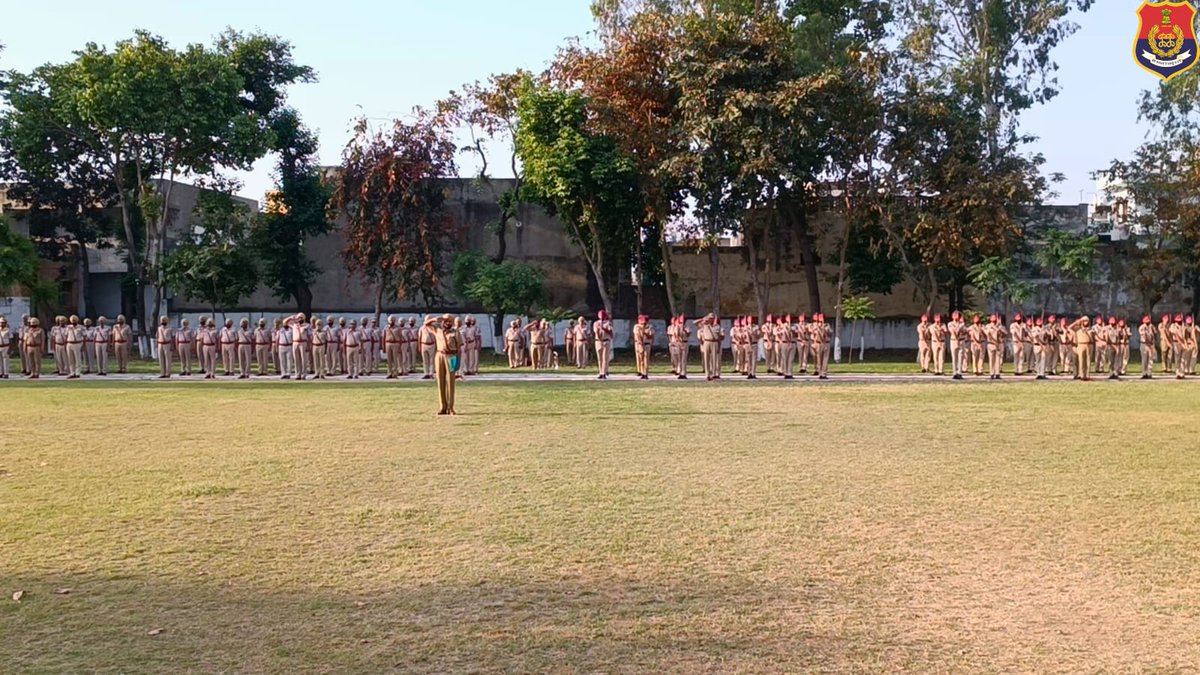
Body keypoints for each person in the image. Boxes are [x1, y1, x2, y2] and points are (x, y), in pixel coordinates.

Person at [424, 314, 462, 415]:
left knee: (450, 382)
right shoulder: (437, 330)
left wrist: (458, 362)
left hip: (452, 356)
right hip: (439, 355)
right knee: (440, 381)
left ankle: (451, 407)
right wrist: (434, 319)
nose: (447, 323)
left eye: (449, 321)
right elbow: (426, 324)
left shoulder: (456, 332)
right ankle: (442, 407)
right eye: (445, 321)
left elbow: (459, 349)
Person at [282, 312, 309, 381]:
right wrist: (290, 317)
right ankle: (298, 374)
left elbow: (310, 336)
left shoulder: (306, 325)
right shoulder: (294, 325)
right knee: (296, 359)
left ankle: (304, 374)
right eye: (298, 318)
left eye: (301, 318)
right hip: (295, 343)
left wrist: (309, 345)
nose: (299, 319)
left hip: (303, 342)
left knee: (303, 359)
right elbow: (284, 322)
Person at [1068, 316, 1093, 381]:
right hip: (1080, 344)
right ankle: (1081, 375)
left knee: (1087, 361)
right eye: (1084, 321)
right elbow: (1069, 328)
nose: (1086, 322)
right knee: (1081, 361)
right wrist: (1076, 322)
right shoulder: (1077, 329)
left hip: (1087, 344)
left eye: (1087, 321)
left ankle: (1087, 375)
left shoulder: (1090, 329)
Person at [984, 314, 1006, 380]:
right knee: (991, 359)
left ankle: (997, 373)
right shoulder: (988, 326)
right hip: (991, 344)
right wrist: (994, 342)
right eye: (992, 317)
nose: (994, 318)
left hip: (999, 344)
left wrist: (1000, 329)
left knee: (998, 359)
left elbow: (1005, 334)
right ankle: (991, 373)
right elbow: (988, 334)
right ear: (990, 318)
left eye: (995, 317)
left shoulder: (1000, 326)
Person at [811, 313, 832, 379]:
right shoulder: (816, 327)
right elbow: (813, 334)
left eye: (821, 321)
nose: (820, 322)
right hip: (818, 343)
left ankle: (824, 373)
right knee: (819, 359)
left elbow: (830, 333)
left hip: (826, 343)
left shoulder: (827, 326)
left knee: (825, 359)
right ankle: (820, 372)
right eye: (819, 321)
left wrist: (823, 328)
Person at [633, 314, 653, 380]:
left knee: (646, 359)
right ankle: (641, 372)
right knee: (641, 359)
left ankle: (645, 373)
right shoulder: (636, 326)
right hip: (640, 344)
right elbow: (636, 334)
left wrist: (644, 331)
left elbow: (651, 335)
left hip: (647, 344)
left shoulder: (650, 327)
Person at [1138, 315, 1156, 379]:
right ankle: (1144, 373)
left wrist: (1152, 345)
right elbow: (1144, 336)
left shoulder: (1152, 326)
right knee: (1144, 359)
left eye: (1148, 321)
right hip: (1144, 344)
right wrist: (1149, 345)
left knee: (1150, 359)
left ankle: (1149, 373)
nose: (1148, 322)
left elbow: (1154, 334)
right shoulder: (1142, 327)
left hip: (1151, 344)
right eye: (1146, 321)